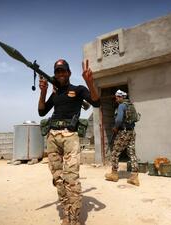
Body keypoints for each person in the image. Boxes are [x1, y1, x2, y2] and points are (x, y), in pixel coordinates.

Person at [38, 59, 100, 225]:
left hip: (70, 137)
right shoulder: (56, 93)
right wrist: (43, 92)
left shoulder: (78, 90)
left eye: (63, 71)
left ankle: (74, 218)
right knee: (58, 178)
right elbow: (41, 112)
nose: (60, 74)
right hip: (52, 137)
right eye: (57, 71)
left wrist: (89, 82)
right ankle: (67, 213)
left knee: (71, 179)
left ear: (69, 73)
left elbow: (96, 102)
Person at [105, 89, 140, 186]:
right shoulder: (131, 105)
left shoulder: (121, 106)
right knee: (132, 153)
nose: (116, 98)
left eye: (117, 97)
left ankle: (114, 174)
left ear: (121, 97)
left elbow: (119, 119)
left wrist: (116, 127)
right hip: (131, 132)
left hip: (123, 132)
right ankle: (134, 177)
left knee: (115, 152)